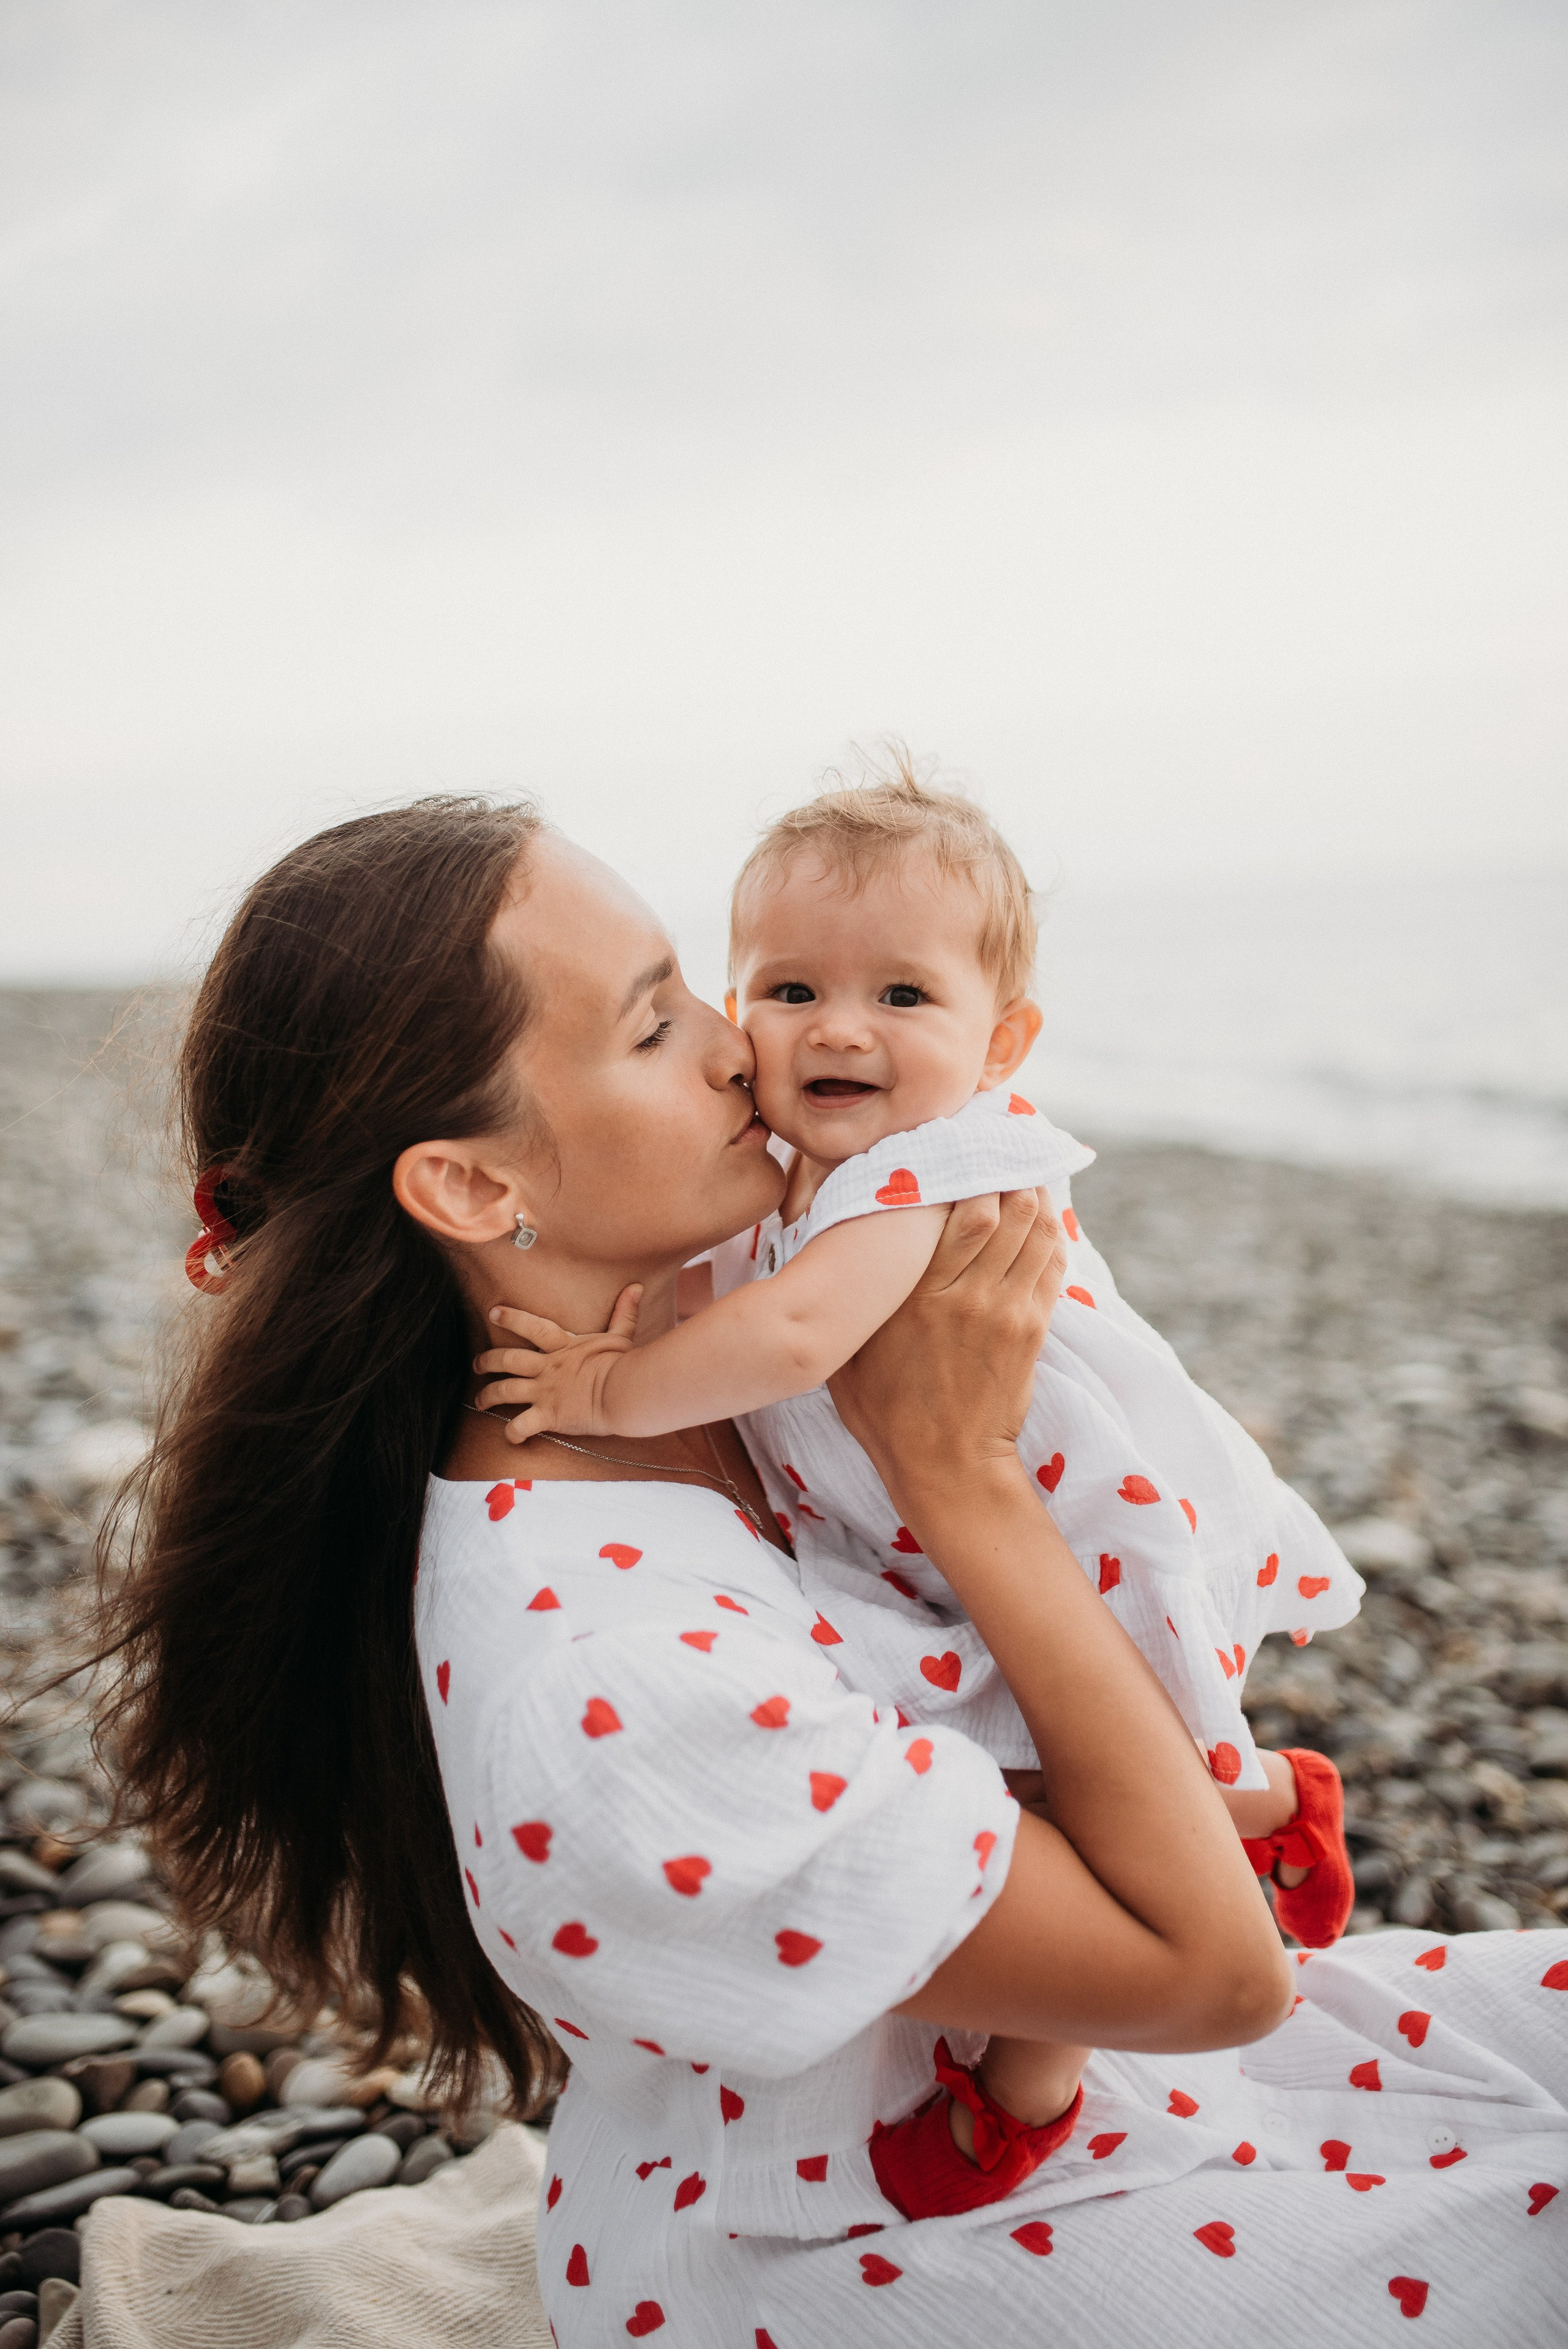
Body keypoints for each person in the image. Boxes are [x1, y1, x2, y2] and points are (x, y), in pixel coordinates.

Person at [104, 797, 1568, 2349]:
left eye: (703, 987)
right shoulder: (612, 1692)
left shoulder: (697, 1351)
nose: (740, 1047)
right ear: (471, 1188)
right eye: (654, 1023)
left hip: (1077, 2065)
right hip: (869, 2246)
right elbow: (1216, 1981)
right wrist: (962, 1475)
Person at [465, 766, 1360, 2174]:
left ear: (1000, 1041)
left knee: (1073, 1767)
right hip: (935, 1525)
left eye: (900, 996)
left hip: (1068, 1523)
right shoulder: (816, 1163)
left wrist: (606, 1385)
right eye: (786, 990)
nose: (835, 1028)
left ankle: (1028, 2090)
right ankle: (1260, 1806)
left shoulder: (928, 1170)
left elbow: (795, 1331)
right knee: (1035, 1765)